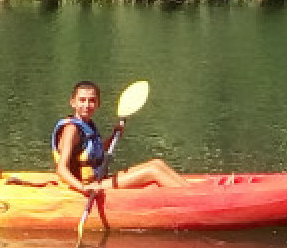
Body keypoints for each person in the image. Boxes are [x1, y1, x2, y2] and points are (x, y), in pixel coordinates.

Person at [51, 80, 188, 195]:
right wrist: (83, 188)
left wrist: (112, 137)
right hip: (85, 186)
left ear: (98, 104)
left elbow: (91, 152)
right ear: (73, 102)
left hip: (98, 181)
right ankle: (192, 199)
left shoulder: (86, 125)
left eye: (92, 100)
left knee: (157, 163)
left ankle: (193, 192)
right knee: (153, 171)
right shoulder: (71, 129)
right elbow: (61, 169)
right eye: (82, 100)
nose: (87, 105)